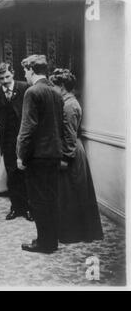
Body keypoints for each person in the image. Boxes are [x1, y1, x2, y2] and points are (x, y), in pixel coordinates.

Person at [49, 68, 104, 243]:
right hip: (71, 149)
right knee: (71, 193)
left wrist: (65, 158)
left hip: (71, 152)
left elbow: (70, 135)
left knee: (72, 193)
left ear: (62, 86)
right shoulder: (67, 102)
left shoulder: (69, 105)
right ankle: (73, 231)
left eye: (54, 86)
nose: (52, 89)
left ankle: (75, 233)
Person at [16, 55, 64, 254]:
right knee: (51, 199)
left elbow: (27, 128)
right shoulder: (56, 93)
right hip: (54, 154)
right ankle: (51, 241)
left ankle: (44, 243)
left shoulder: (32, 92)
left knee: (37, 201)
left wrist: (21, 155)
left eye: (25, 71)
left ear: (31, 70)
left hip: (37, 156)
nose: (25, 75)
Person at [0, 62, 33, 222]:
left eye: (7, 77)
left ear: (13, 74)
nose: (5, 80)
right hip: (8, 140)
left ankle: (29, 208)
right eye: (1, 77)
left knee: (26, 174)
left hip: (25, 139)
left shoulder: (25, 87)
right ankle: (16, 207)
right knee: (12, 175)